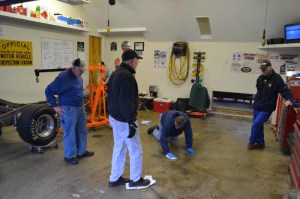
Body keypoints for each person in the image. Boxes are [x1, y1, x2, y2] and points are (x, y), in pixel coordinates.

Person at [107, 49, 151, 188]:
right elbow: (126, 101)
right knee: (136, 149)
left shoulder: (115, 73)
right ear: (132, 61)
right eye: (137, 61)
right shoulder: (127, 77)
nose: (137, 63)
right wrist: (131, 122)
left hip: (114, 117)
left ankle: (114, 178)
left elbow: (110, 95)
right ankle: (135, 180)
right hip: (124, 120)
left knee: (119, 147)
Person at [45, 58, 94, 165]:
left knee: (82, 130)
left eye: (83, 70)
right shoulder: (63, 77)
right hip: (68, 108)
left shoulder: (78, 76)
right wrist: (54, 106)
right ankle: (69, 156)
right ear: (74, 68)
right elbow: (48, 90)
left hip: (80, 107)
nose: (82, 72)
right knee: (70, 132)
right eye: (80, 70)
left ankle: (81, 152)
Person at [248, 60, 293, 150]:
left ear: (270, 68)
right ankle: (261, 143)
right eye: (262, 69)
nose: (263, 70)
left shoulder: (277, 78)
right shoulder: (260, 78)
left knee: (256, 124)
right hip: (257, 105)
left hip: (267, 107)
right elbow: (259, 90)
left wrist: (288, 99)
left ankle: (251, 142)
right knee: (259, 125)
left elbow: (284, 90)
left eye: (265, 69)